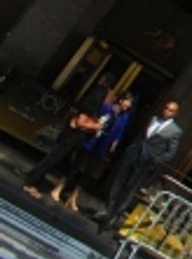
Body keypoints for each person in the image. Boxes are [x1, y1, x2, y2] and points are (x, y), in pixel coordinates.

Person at [21, 75, 112, 200]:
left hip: (73, 136)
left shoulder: (94, 98)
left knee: (55, 161)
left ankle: (33, 182)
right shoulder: (95, 99)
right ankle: (31, 182)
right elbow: (81, 122)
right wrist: (96, 126)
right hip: (71, 137)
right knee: (52, 159)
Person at [98, 99, 182, 233]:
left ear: (175, 113)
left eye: (171, 110)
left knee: (130, 188)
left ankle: (114, 216)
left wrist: (154, 160)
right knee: (118, 181)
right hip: (134, 154)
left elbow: (170, 153)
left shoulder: (175, 131)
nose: (167, 111)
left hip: (146, 161)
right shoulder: (154, 119)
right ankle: (108, 210)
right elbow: (144, 136)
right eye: (166, 108)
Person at [51, 91, 134, 211]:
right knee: (76, 165)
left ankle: (74, 196)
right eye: (126, 103)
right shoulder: (107, 108)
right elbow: (94, 118)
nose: (127, 107)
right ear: (121, 100)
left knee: (88, 173)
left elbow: (120, 132)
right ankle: (59, 187)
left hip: (103, 145)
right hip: (92, 140)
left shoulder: (124, 117)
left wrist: (115, 143)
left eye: (129, 105)